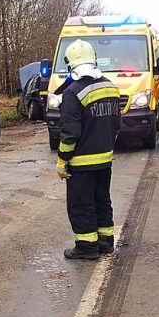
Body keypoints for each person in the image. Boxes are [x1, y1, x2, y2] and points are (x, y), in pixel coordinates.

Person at [56, 39, 120, 259]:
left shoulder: (72, 92)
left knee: (81, 204)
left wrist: (62, 159)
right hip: (105, 160)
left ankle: (86, 246)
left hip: (81, 162)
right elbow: (117, 124)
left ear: (70, 63)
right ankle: (105, 241)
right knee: (102, 200)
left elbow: (70, 132)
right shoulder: (110, 86)